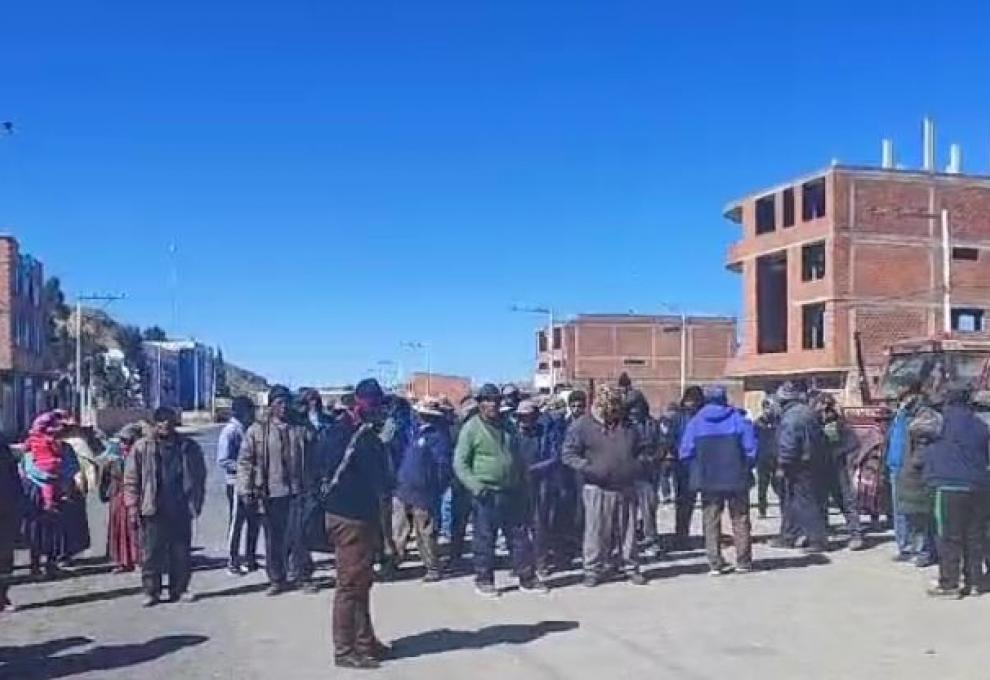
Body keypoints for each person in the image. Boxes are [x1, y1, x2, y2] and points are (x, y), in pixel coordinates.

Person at [318, 378, 391, 669]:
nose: (377, 410)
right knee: (350, 586)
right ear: (362, 404)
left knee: (361, 584)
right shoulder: (363, 437)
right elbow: (382, 481)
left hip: (344, 515)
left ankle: (365, 642)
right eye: (374, 405)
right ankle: (345, 650)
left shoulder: (335, 431)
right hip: (353, 519)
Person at [454, 383, 546, 598]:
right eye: (487, 401)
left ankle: (527, 578)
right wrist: (476, 487)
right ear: (480, 404)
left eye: (495, 401)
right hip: (486, 492)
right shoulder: (471, 428)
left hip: (512, 490)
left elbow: (516, 455)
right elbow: (460, 463)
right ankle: (484, 580)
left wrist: (522, 481)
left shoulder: (508, 425)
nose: (492, 405)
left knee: (519, 536)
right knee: (485, 538)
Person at [562, 384, 648, 587]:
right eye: (609, 408)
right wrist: (589, 468)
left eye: (617, 408)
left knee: (628, 531)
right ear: (599, 406)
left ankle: (630, 566)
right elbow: (568, 455)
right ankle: (593, 569)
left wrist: (638, 465)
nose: (614, 413)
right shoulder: (582, 426)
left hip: (625, 485)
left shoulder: (628, 426)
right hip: (596, 486)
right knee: (595, 531)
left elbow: (643, 449)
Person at [124, 407, 206, 607]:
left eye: (169, 421)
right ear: (155, 423)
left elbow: (199, 476)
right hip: (153, 507)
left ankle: (180, 589)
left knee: (180, 552)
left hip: (180, 508)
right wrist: (132, 506)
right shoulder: (142, 447)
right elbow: (131, 479)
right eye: (161, 421)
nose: (165, 425)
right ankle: (151, 591)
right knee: (152, 553)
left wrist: (196, 501)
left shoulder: (188, 446)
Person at [915, 388, 990, 598]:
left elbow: (915, 430)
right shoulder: (980, 425)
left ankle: (949, 584)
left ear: (948, 400)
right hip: (979, 487)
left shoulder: (938, 421)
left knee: (949, 537)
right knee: (974, 537)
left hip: (948, 486)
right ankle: (975, 582)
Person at [679, 386, 757, 574]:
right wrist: (745, 467)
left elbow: (685, 452)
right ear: (725, 398)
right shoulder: (739, 420)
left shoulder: (695, 422)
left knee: (710, 519)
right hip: (736, 477)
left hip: (708, 478)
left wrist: (696, 468)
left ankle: (715, 561)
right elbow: (752, 450)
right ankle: (743, 560)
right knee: (740, 518)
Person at [238, 385, 306, 595]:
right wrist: (245, 488)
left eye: (286, 402)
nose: (283, 407)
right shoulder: (257, 430)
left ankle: (301, 576)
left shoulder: (299, 427)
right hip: (270, 492)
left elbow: (313, 454)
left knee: (298, 536)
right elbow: (245, 461)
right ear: (271, 406)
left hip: (297, 491)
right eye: (279, 403)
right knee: (274, 538)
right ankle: (277, 578)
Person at [393, 397, 452, 582]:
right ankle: (392, 563)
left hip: (424, 492)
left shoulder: (439, 437)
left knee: (425, 532)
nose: (421, 416)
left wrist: (435, 488)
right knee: (398, 530)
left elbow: (443, 467)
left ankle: (432, 567)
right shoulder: (413, 432)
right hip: (403, 487)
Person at [19, 411, 82, 578]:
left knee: (50, 531)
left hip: (48, 492)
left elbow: (72, 468)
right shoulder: (38, 447)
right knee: (42, 530)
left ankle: (47, 563)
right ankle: (40, 564)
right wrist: (51, 477)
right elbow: (26, 468)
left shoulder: (59, 447)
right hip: (44, 493)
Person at [773, 382, 829, 553]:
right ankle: (789, 535)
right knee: (795, 502)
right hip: (813, 461)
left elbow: (788, 444)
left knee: (805, 502)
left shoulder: (791, 417)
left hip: (798, 464)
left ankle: (816, 539)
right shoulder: (807, 412)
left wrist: (782, 464)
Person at [812, 393, 865, 551]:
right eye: (822, 405)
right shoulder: (813, 422)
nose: (825, 410)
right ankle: (821, 536)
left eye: (827, 406)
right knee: (820, 503)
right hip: (820, 467)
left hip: (838, 467)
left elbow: (853, 444)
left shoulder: (840, 424)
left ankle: (855, 534)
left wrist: (846, 458)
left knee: (846, 501)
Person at [516, 399, 564, 577]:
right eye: (521, 417)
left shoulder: (545, 434)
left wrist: (535, 469)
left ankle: (541, 562)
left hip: (542, 483)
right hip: (519, 484)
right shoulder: (514, 435)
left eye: (528, 416)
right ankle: (522, 563)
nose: (524, 420)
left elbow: (555, 457)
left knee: (540, 525)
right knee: (519, 527)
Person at [217, 396, 259, 575]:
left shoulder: (250, 429)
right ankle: (232, 560)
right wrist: (244, 467)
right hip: (235, 483)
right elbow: (223, 460)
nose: (253, 414)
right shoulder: (230, 431)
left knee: (254, 521)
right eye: (250, 410)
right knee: (237, 523)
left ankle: (250, 558)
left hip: (253, 483)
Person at [886, 382, 925, 561]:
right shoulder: (898, 415)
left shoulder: (918, 414)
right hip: (895, 467)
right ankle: (905, 546)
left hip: (911, 469)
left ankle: (920, 549)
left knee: (915, 511)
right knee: (900, 511)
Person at [99, 422, 145, 573]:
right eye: (122, 441)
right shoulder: (113, 457)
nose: (124, 444)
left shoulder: (142, 455)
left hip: (136, 496)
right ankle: (122, 561)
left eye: (127, 441)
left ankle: (139, 560)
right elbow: (105, 477)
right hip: (117, 496)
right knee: (118, 529)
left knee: (135, 529)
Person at [625, 391, 664, 557]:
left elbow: (662, 444)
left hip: (648, 472)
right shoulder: (624, 425)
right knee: (628, 513)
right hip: (629, 473)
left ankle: (651, 540)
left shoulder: (652, 423)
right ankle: (629, 543)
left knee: (649, 510)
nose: (635, 412)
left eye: (638, 407)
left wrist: (655, 457)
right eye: (632, 408)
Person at [672, 386, 705, 549]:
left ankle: (709, 535)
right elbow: (672, 438)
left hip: (702, 464)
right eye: (688, 400)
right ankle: (681, 535)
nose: (690, 403)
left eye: (694, 400)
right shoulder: (679, 417)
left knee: (708, 502)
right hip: (683, 466)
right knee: (684, 503)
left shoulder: (703, 416)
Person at [0, 431, 24, 612]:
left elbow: (14, 476)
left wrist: (19, 504)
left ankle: (2, 596)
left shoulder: (3, 445)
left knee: (5, 557)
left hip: (6, 508)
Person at [754, 398, 782, 519]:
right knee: (762, 485)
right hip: (763, 457)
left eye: (770, 407)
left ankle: (784, 507)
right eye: (766, 408)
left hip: (776, 457)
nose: (768, 410)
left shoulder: (779, 422)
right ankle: (762, 509)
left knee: (778, 484)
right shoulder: (758, 423)